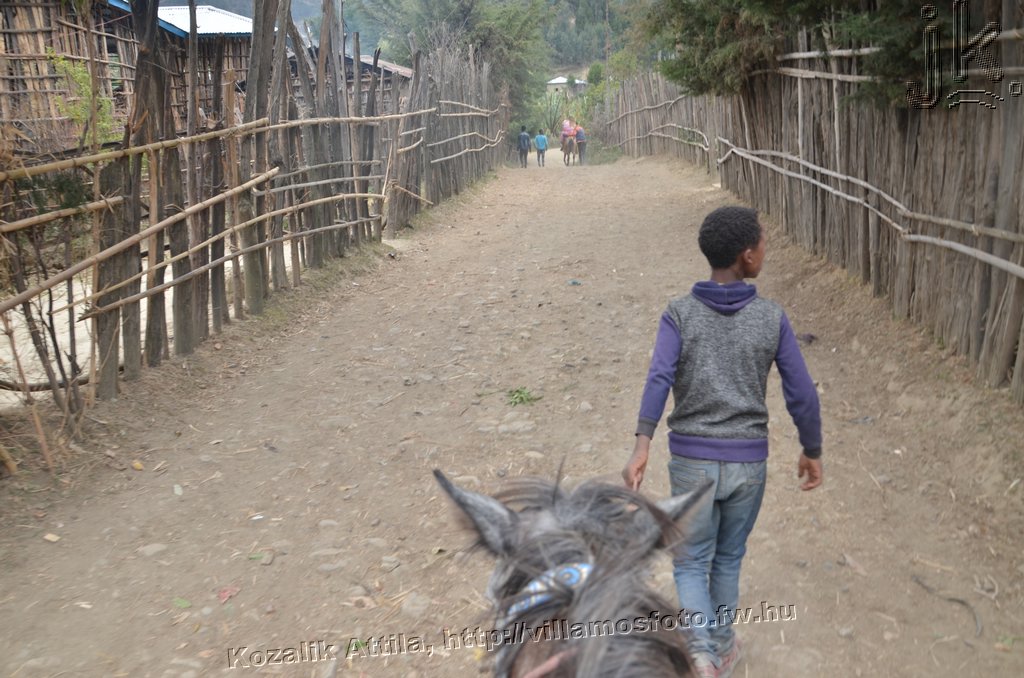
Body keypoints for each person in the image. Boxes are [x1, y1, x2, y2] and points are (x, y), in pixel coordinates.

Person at [622, 206, 822, 678]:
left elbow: (659, 377)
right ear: (747, 256)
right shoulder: (771, 318)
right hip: (748, 466)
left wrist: (642, 443)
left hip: (691, 463)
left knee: (691, 563)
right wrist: (812, 449)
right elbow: (802, 392)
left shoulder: (679, 314)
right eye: (764, 242)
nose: (766, 249)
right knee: (728, 557)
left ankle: (701, 657)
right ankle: (723, 647)